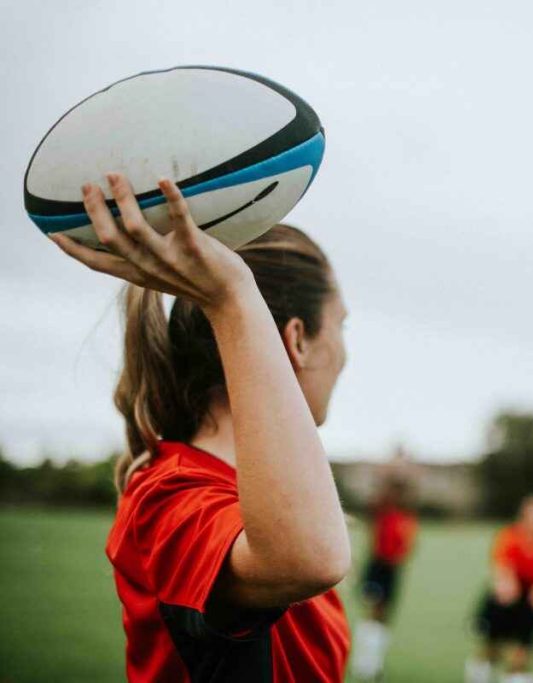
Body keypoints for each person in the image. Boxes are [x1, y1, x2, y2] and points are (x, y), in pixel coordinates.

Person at [52, 174, 352, 681]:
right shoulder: (171, 495)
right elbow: (311, 560)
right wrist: (234, 298)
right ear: (297, 339)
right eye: (341, 326)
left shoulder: (262, 498)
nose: (345, 354)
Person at [466, 495, 533, 683]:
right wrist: (506, 583)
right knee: (492, 648)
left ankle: (516, 676)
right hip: (506, 596)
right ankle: (479, 672)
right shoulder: (508, 536)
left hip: (531, 599)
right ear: (524, 514)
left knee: (522, 655)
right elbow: (501, 568)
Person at [351, 475, 419, 680]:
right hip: (378, 567)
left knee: (385, 616)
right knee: (373, 613)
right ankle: (363, 664)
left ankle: (375, 663)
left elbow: (407, 546)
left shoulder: (407, 518)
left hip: (393, 570)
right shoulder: (382, 512)